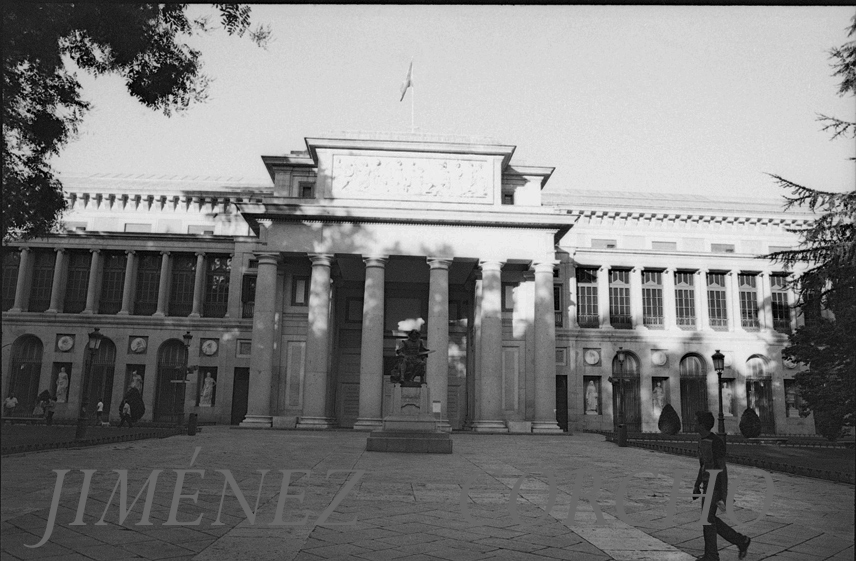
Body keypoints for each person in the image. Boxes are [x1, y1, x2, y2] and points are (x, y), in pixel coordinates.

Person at [692, 411, 750, 561]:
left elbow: (722, 470)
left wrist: (724, 494)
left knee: (707, 519)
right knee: (710, 519)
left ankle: (712, 556)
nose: (694, 424)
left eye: (696, 421)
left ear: (702, 425)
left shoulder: (716, 442)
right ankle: (740, 541)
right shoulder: (701, 440)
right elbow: (703, 465)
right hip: (706, 485)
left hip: (715, 485)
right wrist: (697, 484)